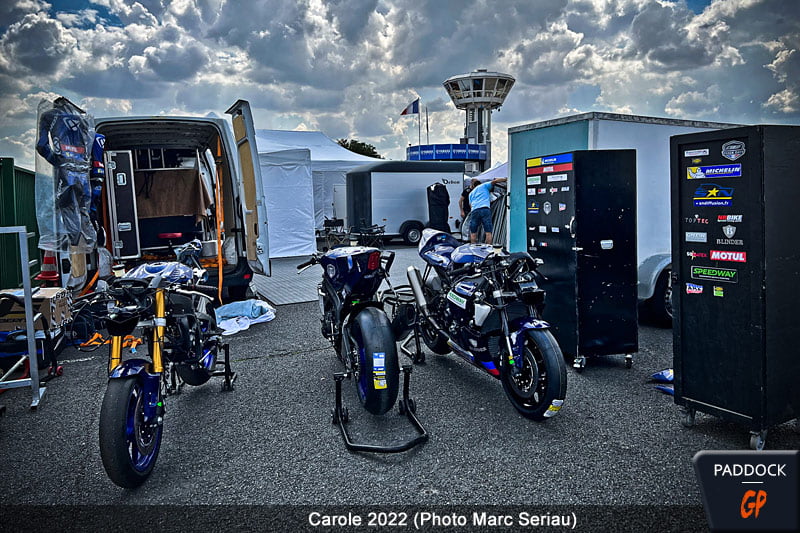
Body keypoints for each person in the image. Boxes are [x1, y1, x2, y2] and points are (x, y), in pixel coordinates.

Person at [468, 177, 507, 244]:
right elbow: (494, 181)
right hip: (484, 209)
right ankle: (488, 248)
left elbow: (470, 205)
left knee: (473, 232)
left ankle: (473, 247)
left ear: (473, 186)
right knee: (488, 232)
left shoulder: (471, 193)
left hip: (474, 211)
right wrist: (506, 179)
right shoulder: (484, 186)